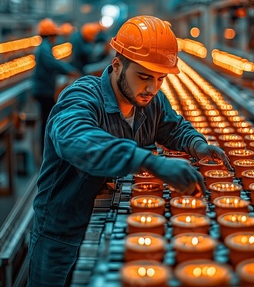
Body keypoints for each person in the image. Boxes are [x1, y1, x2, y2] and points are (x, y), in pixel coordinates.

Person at [27, 15, 231, 286]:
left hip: (112, 224)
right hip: (62, 231)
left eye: (160, 79)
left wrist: (197, 144)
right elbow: (77, 140)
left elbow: (173, 127)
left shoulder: (152, 101)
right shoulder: (82, 98)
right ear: (117, 65)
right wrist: (150, 162)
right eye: (143, 77)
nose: (151, 88)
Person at [32, 18, 81, 152]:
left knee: (46, 119)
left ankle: (46, 149)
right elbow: (52, 63)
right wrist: (70, 70)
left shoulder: (44, 46)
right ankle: (46, 151)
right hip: (44, 90)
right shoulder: (44, 47)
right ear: (51, 35)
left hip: (44, 89)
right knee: (47, 121)